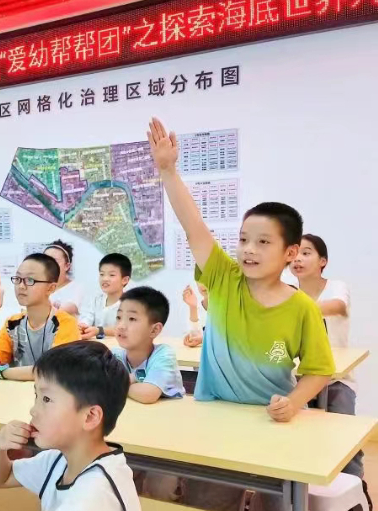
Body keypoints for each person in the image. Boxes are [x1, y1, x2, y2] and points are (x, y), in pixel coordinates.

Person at [148, 117, 335, 509]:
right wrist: (168, 171)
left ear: (290, 253)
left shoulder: (301, 307)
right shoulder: (223, 277)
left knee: (279, 502)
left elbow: (319, 371)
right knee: (209, 499)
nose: (249, 249)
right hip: (215, 417)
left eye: (263, 242)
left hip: (272, 421)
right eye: (244, 239)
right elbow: (194, 227)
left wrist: (294, 402)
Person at [0, 342, 139, 511]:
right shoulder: (59, 459)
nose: (33, 410)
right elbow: (1, 478)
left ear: (90, 417)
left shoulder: (95, 495)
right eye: (37, 397)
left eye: (46, 399)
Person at [0, 254, 81, 511]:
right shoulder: (13, 323)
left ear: (51, 287)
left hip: (46, 414)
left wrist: (0, 373)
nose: (21, 286)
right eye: (18, 279)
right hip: (8, 411)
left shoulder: (65, 324)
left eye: (30, 280)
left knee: (16, 453)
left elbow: (50, 371)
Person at [291, 233, 363, 478]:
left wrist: (288, 309)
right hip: (299, 380)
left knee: (345, 442)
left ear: (323, 261)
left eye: (306, 253)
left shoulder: (336, 287)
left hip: (337, 380)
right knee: (297, 441)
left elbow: (338, 306)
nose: (298, 259)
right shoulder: (287, 292)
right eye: (294, 254)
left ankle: (354, 489)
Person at [112, 286, 184, 404]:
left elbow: (148, 394)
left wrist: (115, 384)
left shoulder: (164, 355)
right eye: (118, 317)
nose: (121, 326)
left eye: (132, 319)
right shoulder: (115, 355)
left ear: (154, 330)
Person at [79, 253, 131, 339]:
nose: (105, 279)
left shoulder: (130, 304)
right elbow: (86, 318)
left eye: (111, 275)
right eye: (102, 274)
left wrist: (99, 330)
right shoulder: (95, 300)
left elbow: (127, 329)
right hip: (95, 346)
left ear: (125, 280)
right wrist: (83, 326)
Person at [44, 240, 83, 316]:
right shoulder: (38, 287)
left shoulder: (77, 288)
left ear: (67, 266)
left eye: (54, 260)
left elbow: (70, 308)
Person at [181, 284, 208, 348]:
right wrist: (193, 307)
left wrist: (203, 339)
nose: (202, 285)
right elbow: (194, 337)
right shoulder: (196, 307)